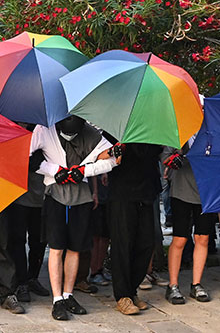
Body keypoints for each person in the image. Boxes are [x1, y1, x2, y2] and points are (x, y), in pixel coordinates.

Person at [30, 116, 118, 321]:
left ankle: (69, 294)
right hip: (55, 193)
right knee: (56, 247)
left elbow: (111, 159)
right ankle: (57, 299)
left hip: (81, 196)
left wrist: (85, 171)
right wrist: (53, 170)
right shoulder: (44, 129)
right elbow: (28, 156)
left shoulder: (92, 133)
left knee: (76, 248)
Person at [108, 143, 163, 315]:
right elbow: (104, 154)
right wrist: (116, 150)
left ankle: (132, 290)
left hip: (147, 191)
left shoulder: (153, 129)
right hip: (123, 192)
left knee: (147, 243)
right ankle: (123, 296)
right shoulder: (119, 128)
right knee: (123, 244)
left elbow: (156, 153)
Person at [163, 142, 213, 304]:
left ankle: (196, 284)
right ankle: (173, 285)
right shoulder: (180, 129)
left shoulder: (212, 127)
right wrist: (172, 160)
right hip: (181, 188)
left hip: (207, 189)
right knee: (180, 238)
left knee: (202, 237)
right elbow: (165, 154)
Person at [7, 141, 50, 303]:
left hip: (43, 198)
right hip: (19, 198)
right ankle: (22, 282)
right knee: (17, 241)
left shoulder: (49, 135)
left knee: (39, 241)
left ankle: (33, 277)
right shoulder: (16, 135)